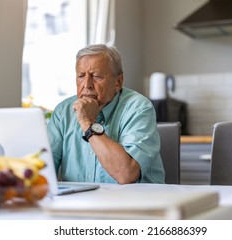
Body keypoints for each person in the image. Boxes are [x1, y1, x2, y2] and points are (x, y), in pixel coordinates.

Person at [47, 44, 165, 184]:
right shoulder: (63, 111)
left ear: (118, 82)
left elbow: (126, 174)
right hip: (79, 203)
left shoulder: (139, 108)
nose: (87, 84)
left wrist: (88, 123)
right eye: (81, 76)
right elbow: (43, 170)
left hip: (134, 203)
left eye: (96, 76)